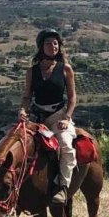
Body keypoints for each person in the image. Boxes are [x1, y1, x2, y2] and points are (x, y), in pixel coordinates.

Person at [19, 28, 77, 204]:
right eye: (48, 43)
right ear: (40, 47)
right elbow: (27, 97)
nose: (52, 46)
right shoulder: (32, 71)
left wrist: (67, 118)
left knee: (66, 146)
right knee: (12, 141)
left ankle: (62, 187)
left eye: (55, 43)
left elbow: (73, 97)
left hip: (58, 116)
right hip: (36, 117)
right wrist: (23, 110)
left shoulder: (65, 69)